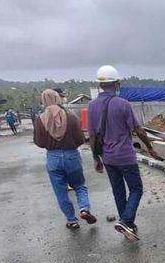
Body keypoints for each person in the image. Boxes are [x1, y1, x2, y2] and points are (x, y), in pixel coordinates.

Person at [87, 65, 156, 241]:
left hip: (108, 158)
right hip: (125, 156)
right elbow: (138, 130)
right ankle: (126, 221)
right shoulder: (123, 104)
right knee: (136, 189)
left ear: (100, 85)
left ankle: (128, 225)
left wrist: (96, 158)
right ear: (117, 83)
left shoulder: (92, 106)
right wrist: (149, 147)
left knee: (118, 192)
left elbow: (93, 136)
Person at [34, 89, 97, 230]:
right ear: (58, 99)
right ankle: (84, 209)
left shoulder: (39, 120)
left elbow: (39, 142)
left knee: (60, 191)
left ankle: (71, 220)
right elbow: (81, 139)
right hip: (71, 156)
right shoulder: (71, 117)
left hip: (53, 158)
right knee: (79, 185)